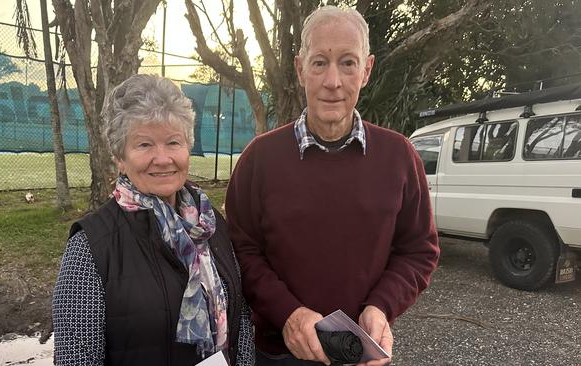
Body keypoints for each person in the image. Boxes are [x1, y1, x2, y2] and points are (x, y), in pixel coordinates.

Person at [225, 6, 439, 366]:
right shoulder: (260, 158)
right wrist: (288, 314)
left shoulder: (399, 156)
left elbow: (418, 251)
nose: (333, 81)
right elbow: (239, 251)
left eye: (348, 63)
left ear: (367, 70)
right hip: (277, 353)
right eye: (320, 62)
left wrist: (381, 307)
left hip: (361, 351)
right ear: (300, 68)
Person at [53, 74, 254, 366]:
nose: (162, 158)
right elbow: (77, 360)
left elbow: (241, 321)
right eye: (144, 145)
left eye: (173, 142)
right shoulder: (91, 248)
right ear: (119, 157)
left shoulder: (211, 225)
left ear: (188, 147)